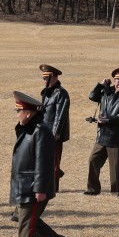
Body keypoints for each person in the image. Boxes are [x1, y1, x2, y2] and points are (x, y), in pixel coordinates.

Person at [10, 91, 73, 237]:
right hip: (23, 185)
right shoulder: (26, 129)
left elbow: (44, 163)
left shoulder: (41, 131)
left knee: (26, 224)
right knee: (26, 220)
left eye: (18, 111)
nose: (17, 114)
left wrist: (40, 189)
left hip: (34, 187)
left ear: (28, 114)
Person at [86, 68, 119, 197]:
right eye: (118, 81)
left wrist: (107, 120)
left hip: (115, 137)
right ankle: (92, 189)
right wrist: (100, 85)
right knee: (93, 161)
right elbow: (92, 96)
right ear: (114, 80)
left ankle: (117, 191)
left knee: (116, 167)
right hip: (102, 135)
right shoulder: (106, 92)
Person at [40, 64, 70, 192]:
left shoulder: (61, 93)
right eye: (43, 78)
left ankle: (53, 187)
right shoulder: (46, 92)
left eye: (46, 78)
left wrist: (56, 132)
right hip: (44, 130)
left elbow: (60, 114)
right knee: (45, 159)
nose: (44, 81)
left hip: (54, 132)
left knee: (54, 160)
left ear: (55, 77)